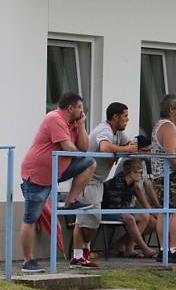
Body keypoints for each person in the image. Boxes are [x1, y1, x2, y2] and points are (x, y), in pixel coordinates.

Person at [19, 93, 97, 273]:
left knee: (89, 163)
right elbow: (68, 147)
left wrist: (82, 125)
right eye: (80, 108)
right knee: (30, 218)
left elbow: (85, 148)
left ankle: (71, 201)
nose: (82, 111)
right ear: (70, 108)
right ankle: (27, 261)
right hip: (37, 175)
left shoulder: (74, 122)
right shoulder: (54, 118)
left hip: (56, 171)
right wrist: (78, 151)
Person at [71, 102, 141, 268]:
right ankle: (80, 254)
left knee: (85, 220)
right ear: (115, 117)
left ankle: (80, 255)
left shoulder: (117, 132)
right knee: (89, 219)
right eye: (125, 116)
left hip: (98, 181)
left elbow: (130, 144)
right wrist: (125, 150)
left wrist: (128, 148)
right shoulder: (105, 129)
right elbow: (104, 148)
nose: (128, 119)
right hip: (87, 179)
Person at [150, 94, 176, 264]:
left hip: (164, 176)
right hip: (171, 176)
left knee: (166, 211)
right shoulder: (168, 127)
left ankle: (165, 249)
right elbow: (170, 154)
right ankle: (172, 248)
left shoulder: (164, 126)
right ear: (171, 109)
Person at [101, 159, 158, 258]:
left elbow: (145, 205)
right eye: (140, 172)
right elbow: (116, 207)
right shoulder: (116, 183)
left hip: (122, 210)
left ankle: (125, 246)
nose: (142, 175)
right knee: (130, 218)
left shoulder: (133, 184)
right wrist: (134, 213)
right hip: (107, 211)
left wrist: (157, 214)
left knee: (152, 221)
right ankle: (144, 249)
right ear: (131, 173)